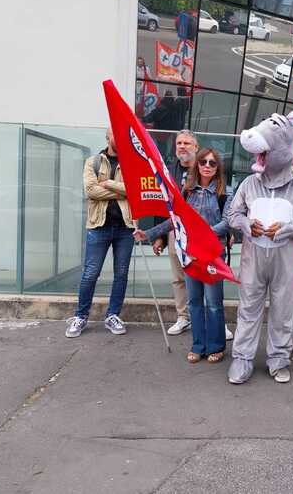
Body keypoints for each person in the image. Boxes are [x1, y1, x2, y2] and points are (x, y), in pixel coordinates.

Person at [227, 111, 293, 385]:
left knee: (283, 310)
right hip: (253, 259)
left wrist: (290, 228)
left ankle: (279, 358)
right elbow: (233, 215)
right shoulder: (249, 183)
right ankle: (242, 358)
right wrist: (247, 225)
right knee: (248, 308)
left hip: (286, 262)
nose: (261, 157)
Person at [135, 148, 232, 363]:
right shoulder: (187, 191)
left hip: (212, 256)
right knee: (195, 301)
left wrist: (201, 234)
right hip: (189, 255)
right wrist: (149, 233)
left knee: (213, 302)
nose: (207, 165)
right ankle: (198, 345)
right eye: (203, 162)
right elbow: (174, 221)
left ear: (218, 168)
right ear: (197, 165)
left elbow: (228, 222)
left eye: (212, 163)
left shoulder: (225, 193)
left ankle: (216, 346)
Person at [65, 128, 134, 338]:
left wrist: (108, 184)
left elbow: (135, 190)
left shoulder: (132, 163)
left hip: (125, 227)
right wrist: (121, 190)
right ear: (108, 137)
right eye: (116, 135)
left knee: (121, 275)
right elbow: (91, 191)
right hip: (98, 226)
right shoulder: (93, 162)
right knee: (90, 273)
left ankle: (113, 315)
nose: (119, 139)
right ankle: (81, 316)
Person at [153, 130, 198, 335]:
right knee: (178, 277)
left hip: (200, 233)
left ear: (195, 147)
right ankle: (183, 317)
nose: (182, 146)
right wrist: (160, 237)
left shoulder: (207, 167)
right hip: (174, 231)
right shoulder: (168, 171)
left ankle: (211, 317)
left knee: (204, 275)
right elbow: (162, 205)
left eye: (187, 143)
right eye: (179, 143)